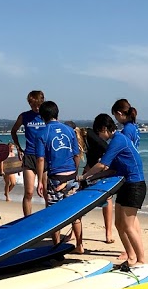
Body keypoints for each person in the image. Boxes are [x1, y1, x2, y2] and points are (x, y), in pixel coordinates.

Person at [80, 113, 147, 266]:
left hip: (135, 185)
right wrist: (91, 178)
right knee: (119, 224)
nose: (99, 137)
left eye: (98, 133)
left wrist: (84, 177)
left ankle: (141, 261)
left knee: (128, 226)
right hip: (125, 185)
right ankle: (131, 257)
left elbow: (103, 164)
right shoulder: (116, 141)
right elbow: (111, 170)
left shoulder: (118, 140)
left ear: (104, 129)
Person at [35, 101, 84, 252]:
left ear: (42, 116)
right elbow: (77, 154)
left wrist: (39, 181)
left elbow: (41, 159)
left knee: (54, 214)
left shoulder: (42, 133)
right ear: (57, 114)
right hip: (71, 176)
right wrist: (74, 172)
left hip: (55, 178)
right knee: (75, 213)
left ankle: (56, 246)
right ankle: (79, 245)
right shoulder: (69, 131)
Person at [10, 90, 47, 217]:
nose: (36, 108)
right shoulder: (24, 116)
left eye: (38, 105)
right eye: (33, 105)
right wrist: (19, 148)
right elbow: (13, 131)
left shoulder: (46, 116)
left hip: (45, 156)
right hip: (30, 155)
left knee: (47, 192)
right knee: (29, 192)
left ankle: (50, 221)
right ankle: (27, 220)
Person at [78, 124, 115, 246]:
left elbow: (106, 148)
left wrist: (101, 164)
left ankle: (108, 232)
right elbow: (90, 155)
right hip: (91, 168)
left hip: (101, 168)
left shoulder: (89, 135)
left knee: (107, 198)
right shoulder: (81, 139)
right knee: (80, 198)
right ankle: (75, 231)